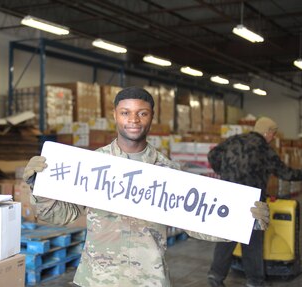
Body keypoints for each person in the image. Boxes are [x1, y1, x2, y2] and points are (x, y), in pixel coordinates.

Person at [23, 86, 269, 287]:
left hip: (149, 280)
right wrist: (40, 188)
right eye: (125, 113)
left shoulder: (168, 172)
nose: (133, 120)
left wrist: (243, 221)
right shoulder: (92, 165)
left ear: (152, 116)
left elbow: (196, 224)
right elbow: (62, 215)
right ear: (115, 115)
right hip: (96, 279)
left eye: (142, 113)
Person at [207, 116, 302, 287]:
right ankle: (255, 281)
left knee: (227, 238)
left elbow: (213, 155)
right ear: (267, 132)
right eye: (273, 134)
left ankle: (215, 275)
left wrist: (223, 172)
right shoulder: (264, 149)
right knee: (253, 241)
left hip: (229, 196)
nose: (273, 137)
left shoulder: (233, 140)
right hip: (253, 201)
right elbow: (285, 174)